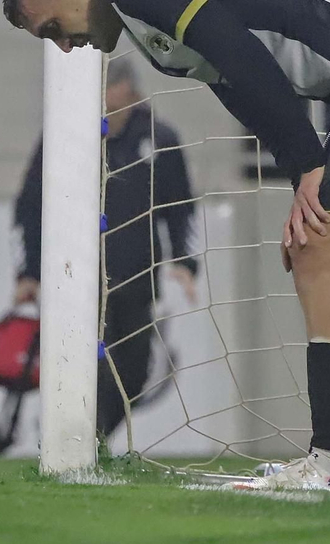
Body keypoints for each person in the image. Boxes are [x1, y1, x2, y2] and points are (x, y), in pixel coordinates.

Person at [0, 0, 330, 492]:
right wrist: (303, 163)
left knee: (318, 244)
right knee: (316, 246)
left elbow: (240, 54)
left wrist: (308, 165)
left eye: (53, 29)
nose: (66, 47)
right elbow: (233, 78)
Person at [11, 57, 199, 441]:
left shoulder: (160, 139)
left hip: (138, 275)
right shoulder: (65, 136)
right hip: (79, 276)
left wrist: (184, 261)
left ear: (128, 92)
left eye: (110, 98)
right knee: (88, 364)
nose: (105, 107)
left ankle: (94, 439)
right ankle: (81, 441)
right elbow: (30, 206)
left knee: (134, 369)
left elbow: (180, 207)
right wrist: (29, 271)